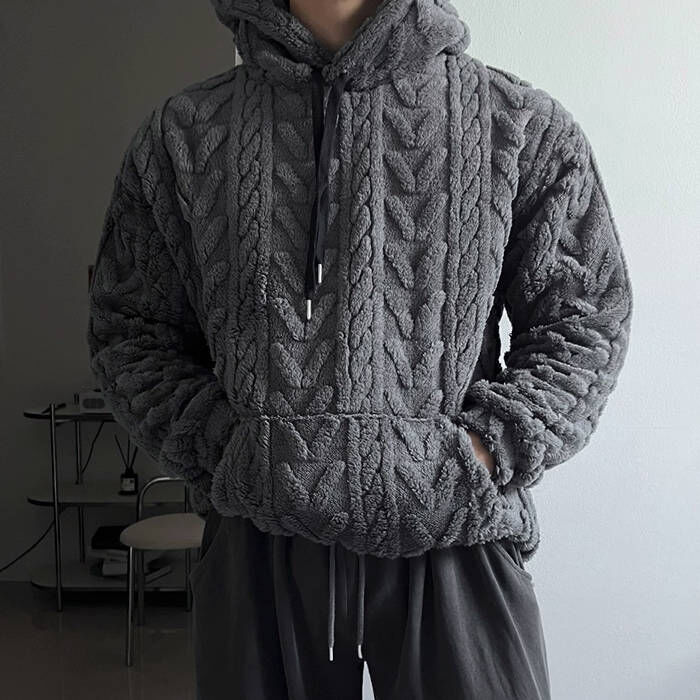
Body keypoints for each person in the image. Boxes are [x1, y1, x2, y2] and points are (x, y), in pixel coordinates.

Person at [86, 0, 633, 698]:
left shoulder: (520, 124)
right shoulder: (184, 135)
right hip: (258, 539)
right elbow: (130, 329)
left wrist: (483, 452)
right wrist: (230, 450)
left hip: (454, 532)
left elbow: (585, 320)